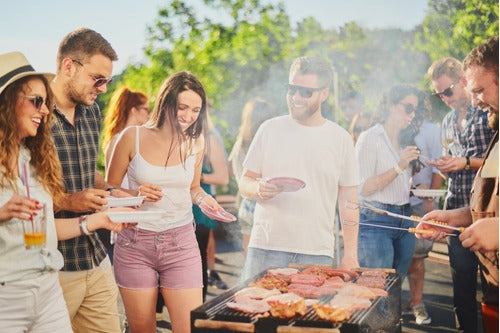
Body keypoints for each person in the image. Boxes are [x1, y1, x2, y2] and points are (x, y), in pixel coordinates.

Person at [0, 52, 133, 331]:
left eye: (46, 102)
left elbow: (46, 227)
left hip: (48, 287)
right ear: (6, 102)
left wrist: (98, 219)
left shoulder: (32, 161)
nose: (45, 110)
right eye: (36, 101)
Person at [107, 71, 223, 332]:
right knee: (142, 329)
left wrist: (206, 201)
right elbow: (109, 190)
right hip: (135, 243)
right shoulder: (131, 137)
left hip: (181, 243)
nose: (188, 116)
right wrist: (135, 196)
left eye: (195, 110)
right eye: (182, 107)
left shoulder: (197, 141)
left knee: (187, 328)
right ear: (166, 102)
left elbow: (193, 188)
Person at [239, 56, 360, 281]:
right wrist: (257, 189)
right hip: (265, 247)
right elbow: (245, 181)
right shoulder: (269, 129)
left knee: (310, 314)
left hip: (316, 252)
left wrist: (351, 253)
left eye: (306, 92)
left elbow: (349, 199)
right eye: (291, 89)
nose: (296, 97)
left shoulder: (340, 138)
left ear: (324, 93)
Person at [49, 28, 129, 332]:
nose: (104, 89)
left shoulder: (92, 111)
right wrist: (70, 201)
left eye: (107, 80)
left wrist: (114, 190)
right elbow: (22, 191)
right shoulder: (34, 116)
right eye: (98, 79)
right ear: (69, 67)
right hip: (54, 265)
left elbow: (86, 172)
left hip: (94, 257)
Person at [419, 36, 499, 333]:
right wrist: (454, 215)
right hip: (463, 208)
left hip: (485, 221)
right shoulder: (450, 121)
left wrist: (464, 162)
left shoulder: (490, 115)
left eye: (449, 90)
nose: (446, 98)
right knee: (465, 291)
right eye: (439, 95)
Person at [355, 84, 420, 280]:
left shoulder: (406, 140)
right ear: (391, 105)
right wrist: (399, 166)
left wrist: (416, 189)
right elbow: (363, 189)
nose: (412, 114)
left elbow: (398, 184)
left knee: (395, 288)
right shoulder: (369, 138)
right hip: (377, 220)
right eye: (408, 107)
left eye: (415, 110)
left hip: (405, 217)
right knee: (376, 289)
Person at [401, 91, 443, 325]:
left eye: (414, 107)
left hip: (419, 206)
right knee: (398, 258)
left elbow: (438, 168)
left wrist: (429, 199)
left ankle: (417, 303)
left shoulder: (432, 130)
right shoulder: (395, 129)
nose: (411, 112)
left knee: (417, 258)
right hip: (396, 203)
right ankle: (396, 304)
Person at [101, 86, 150, 261]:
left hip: (135, 212)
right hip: (128, 215)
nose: (149, 115)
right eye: (146, 109)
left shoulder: (128, 139)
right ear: (134, 110)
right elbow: (111, 184)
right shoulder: (119, 141)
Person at [228, 98, 277, 258]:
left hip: (246, 205)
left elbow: (232, 170)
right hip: (266, 205)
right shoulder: (266, 144)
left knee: (250, 258)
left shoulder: (239, 144)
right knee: (272, 259)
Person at [193, 102, 230, 300]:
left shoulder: (210, 138)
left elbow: (223, 178)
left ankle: (197, 310)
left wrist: (195, 178)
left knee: (199, 260)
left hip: (201, 206)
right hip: (180, 207)